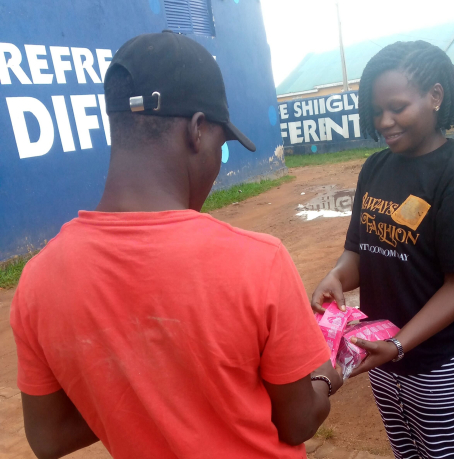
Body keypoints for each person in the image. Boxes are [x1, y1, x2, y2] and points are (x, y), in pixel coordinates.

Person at [10, 32, 341, 459]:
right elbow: (298, 422)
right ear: (197, 130)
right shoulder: (258, 261)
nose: (217, 170)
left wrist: (140, 391)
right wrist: (326, 375)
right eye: (221, 149)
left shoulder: (38, 280)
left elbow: (48, 438)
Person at [311, 40, 454, 459]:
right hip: (379, 351)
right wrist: (337, 277)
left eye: (397, 107)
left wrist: (401, 344)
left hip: (441, 360)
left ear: (435, 96)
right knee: (405, 451)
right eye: (377, 111)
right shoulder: (376, 167)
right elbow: (360, 249)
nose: (385, 121)